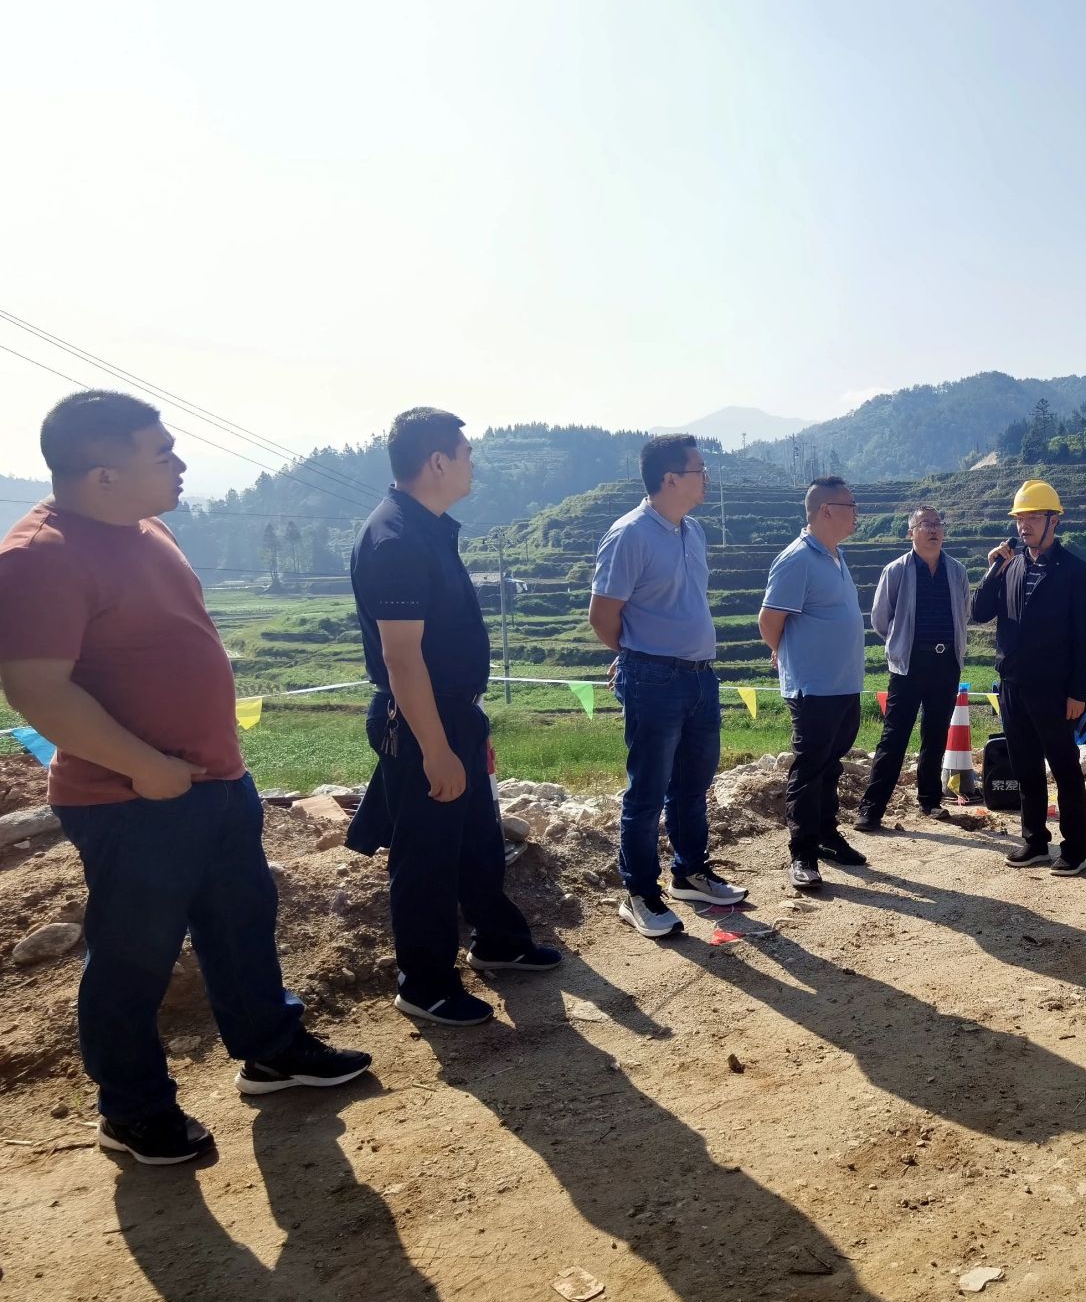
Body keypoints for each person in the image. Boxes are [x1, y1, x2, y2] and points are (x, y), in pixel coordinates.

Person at [0, 390, 369, 1166]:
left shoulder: (148, 528)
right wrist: (148, 769)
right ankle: (132, 1109)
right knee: (133, 957)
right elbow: (37, 690)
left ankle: (271, 1050)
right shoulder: (40, 555)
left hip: (213, 780)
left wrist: (204, 764)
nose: (180, 464)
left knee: (241, 923)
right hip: (131, 797)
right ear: (102, 474)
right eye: (161, 453)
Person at [346, 408, 562, 1027]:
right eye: (467, 456)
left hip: (454, 713)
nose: (473, 466)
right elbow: (402, 658)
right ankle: (425, 984)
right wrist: (436, 748)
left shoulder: (426, 528)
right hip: (423, 719)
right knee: (427, 856)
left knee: (474, 840)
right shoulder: (395, 539)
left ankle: (498, 940)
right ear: (437, 462)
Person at [590, 434, 747, 941]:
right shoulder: (630, 534)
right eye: (700, 470)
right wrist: (633, 656)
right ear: (671, 478)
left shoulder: (691, 530)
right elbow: (602, 615)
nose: (707, 478)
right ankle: (639, 893)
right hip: (654, 678)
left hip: (700, 676)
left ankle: (690, 873)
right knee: (647, 791)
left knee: (693, 785)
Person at [971, 478, 1086, 875]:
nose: (1023, 526)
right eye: (1019, 518)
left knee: (1064, 767)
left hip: (1054, 687)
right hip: (1013, 683)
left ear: (1053, 521)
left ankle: (1074, 848)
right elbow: (979, 612)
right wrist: (992, 570)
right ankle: (1035, 840)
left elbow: (1085, 636)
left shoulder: (1074, 570)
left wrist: (1077, 690)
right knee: (1024, 765)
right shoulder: (1009, 565)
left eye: (1032, 518)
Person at [759, 477, 869, 892]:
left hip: (844, 684)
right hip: (814, 687)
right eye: (850, 506)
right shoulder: (797, 559)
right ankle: (802, 852)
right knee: (809, 770)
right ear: (826, 510)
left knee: (830, 765)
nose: (856, 514)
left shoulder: (834, 555)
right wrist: (785, 654)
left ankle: (826, 834)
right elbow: (770, 620)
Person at [853, 506, 969, 831]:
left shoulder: (957, 571)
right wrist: (902, 642)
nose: (933, 530)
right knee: (894, 736)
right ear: (911, 532)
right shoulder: (896, 571)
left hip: (946, 663)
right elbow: (880, 619)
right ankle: (871, 809)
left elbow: (964, 612)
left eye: (937, 524)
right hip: (908, 665)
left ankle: (929, 801)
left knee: (936, 734)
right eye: (925, 524)